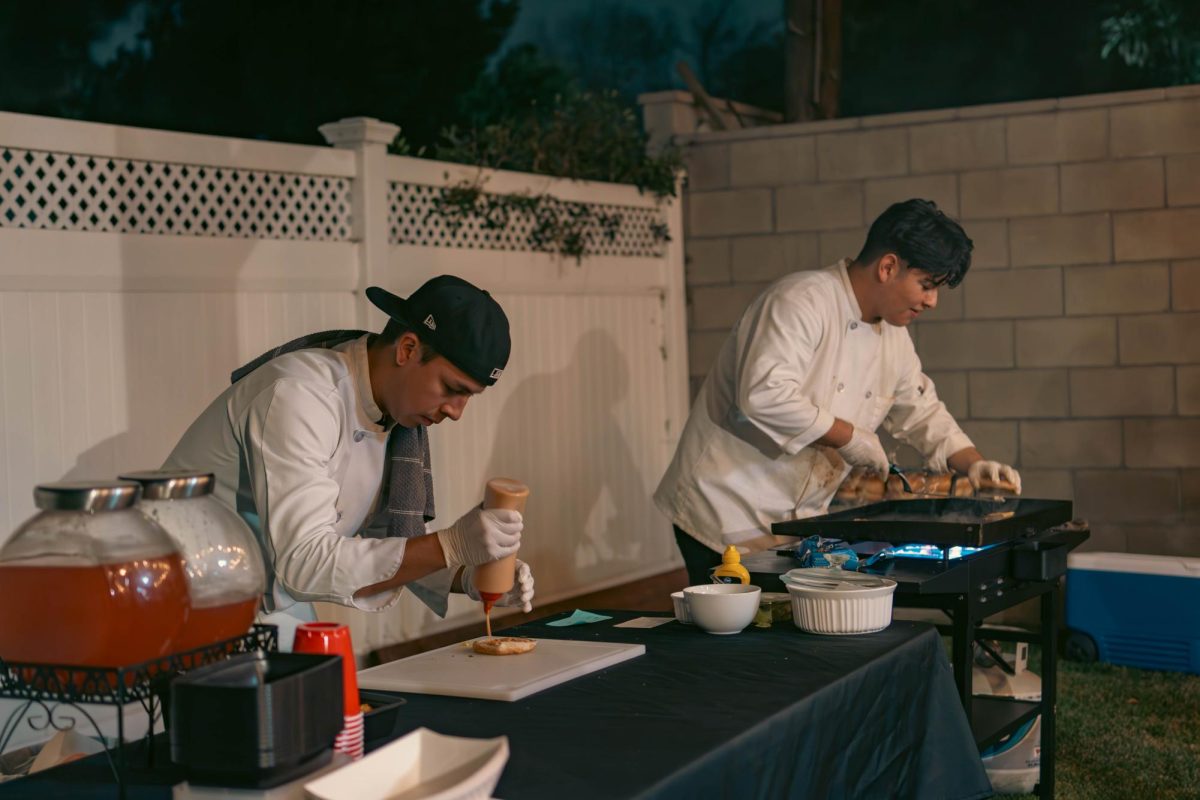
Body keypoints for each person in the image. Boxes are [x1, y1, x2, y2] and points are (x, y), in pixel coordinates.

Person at [655, 199, 1021, 586]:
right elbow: (764, 394)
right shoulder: (801, 300)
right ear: (888, 267)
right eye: (927, 285)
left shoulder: (894, 336)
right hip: (724, 505)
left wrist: (973, 463)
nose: (932, 301)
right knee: (739, 636)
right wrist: (850, 437)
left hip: (796, 519)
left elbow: (922, 410)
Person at [163, 275, 534, 648]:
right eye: (453, 389)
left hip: (262, 593)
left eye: (470, 397)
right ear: (407, 349)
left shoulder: (389, 410)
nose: (456, 412)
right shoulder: (301, 395)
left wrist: (467, 574)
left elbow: (385, 544)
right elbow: (304, 563)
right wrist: (450, 545)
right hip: (187, 597)